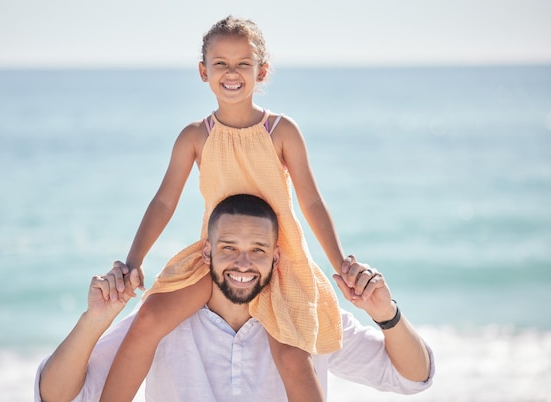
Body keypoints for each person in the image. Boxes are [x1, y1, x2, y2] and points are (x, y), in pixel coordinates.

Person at [103, 16, 348, 401]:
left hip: (275, 263)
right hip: (218, 258)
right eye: (220, 63)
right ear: (203, 71)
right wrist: (133, 261)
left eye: (242, 64)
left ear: (261, 71)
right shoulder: (196, 136)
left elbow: (312, 201)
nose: (231, 73)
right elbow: (164, 201)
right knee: (148, 318)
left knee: (292, 357)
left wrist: (340, 264)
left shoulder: (282, 131)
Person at [36, 194, 433, 402]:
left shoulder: (307, 317)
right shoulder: (163, 323)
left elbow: (413, 377)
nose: (243, 263)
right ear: (206, 252)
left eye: (258, 250)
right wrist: (94, 321)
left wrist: (388, 316)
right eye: (228, 248)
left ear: (276, 257)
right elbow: (56, 396)